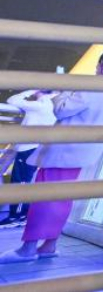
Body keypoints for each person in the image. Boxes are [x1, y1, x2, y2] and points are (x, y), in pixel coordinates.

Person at [0, 49, 103, 263]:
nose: (96, 67)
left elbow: (62, 109)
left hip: (63, 151)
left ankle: (27, 249)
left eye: (98, 63)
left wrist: (61, 92)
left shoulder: (94, 86)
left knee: (43, 199)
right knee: (61, 199)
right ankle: (49, 245)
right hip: (80, 152)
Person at [0, 89, 57, 227]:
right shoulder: (50, 105)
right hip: (34, 147)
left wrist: (30, 91)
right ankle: (21, 215)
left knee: (20, 182)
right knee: (23, 181)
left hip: (28, 148)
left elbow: (12, 100)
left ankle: (16, 216)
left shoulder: (41, 105)